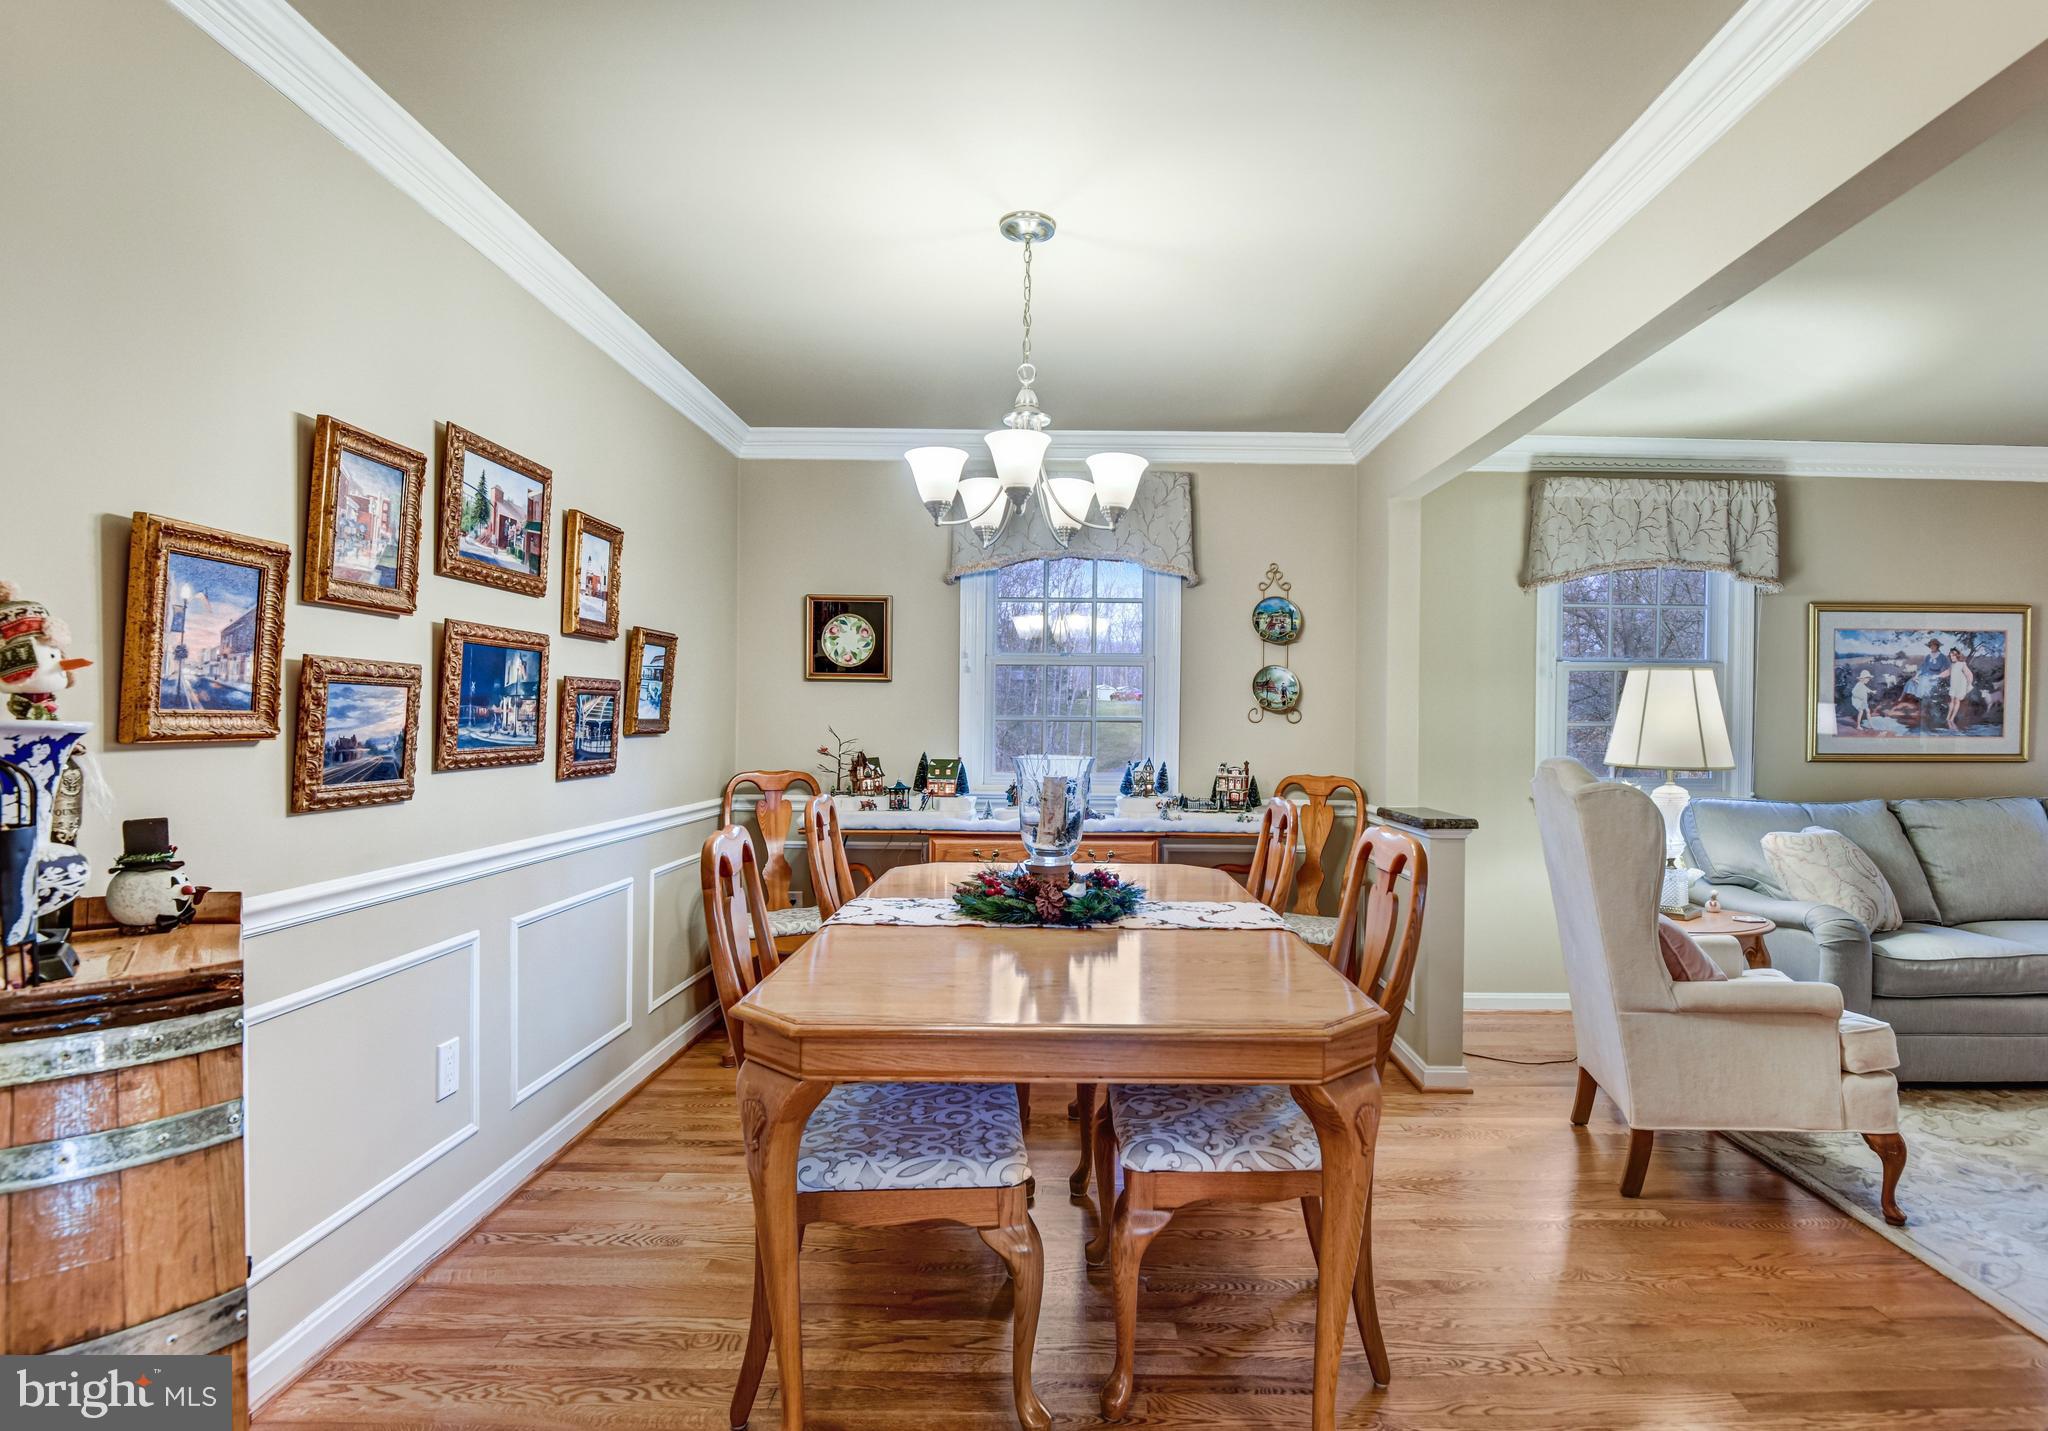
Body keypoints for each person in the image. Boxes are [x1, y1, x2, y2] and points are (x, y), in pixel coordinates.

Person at [1911, 639, 1951, 732]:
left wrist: (1939, 675)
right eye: (1931, 645)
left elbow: (1948, 669)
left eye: (1934, 645)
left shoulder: (1942, 657)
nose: (1932, 647)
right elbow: (1922, 668)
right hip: (1926, 675)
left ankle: (1933, 713)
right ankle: (1923, 707)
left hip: (1937, 676)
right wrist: (1916, 675)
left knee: (1928, 685)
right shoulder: (1928, 657)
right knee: (1917, 681)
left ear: (1937, 646)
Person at [1946, 646, 1975, 731]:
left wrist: (1969, 684)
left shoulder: (1962, 664)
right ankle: (1948, 717)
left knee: (1956, 700)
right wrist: (1938, 675)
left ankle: (1952, 718)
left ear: (1957, 655)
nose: (1952, 657)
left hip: (1960, 684)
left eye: (1954, 655)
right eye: (1951, 656)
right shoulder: (1952, 664)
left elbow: (1969, 674)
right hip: (1954, 684)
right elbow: (1948, 672)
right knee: (1952, 700)